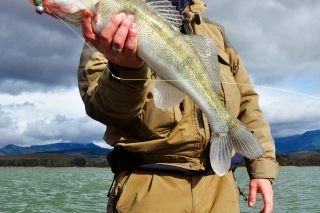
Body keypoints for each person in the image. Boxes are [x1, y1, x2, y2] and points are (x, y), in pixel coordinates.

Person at [77, 0, 279, 212]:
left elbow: (248, 101)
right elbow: (102, 108)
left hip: (221, 191)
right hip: (149, 190)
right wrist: (125, 69)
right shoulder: (108, 22)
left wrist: (261, 168)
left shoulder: (216, 33)